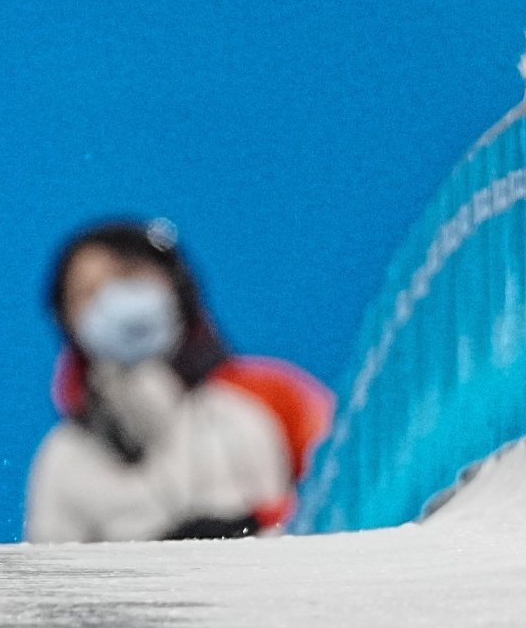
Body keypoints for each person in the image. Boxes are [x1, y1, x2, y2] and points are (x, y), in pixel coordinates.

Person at [24, 220, 333, 543]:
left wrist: (261, 525)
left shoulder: (267, 394)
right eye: (87, 292)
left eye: (127, 274)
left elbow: (347, 486)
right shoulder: (65, 458)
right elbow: (52, 583)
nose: (111, 297)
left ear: (176, 284)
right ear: (69, 325)